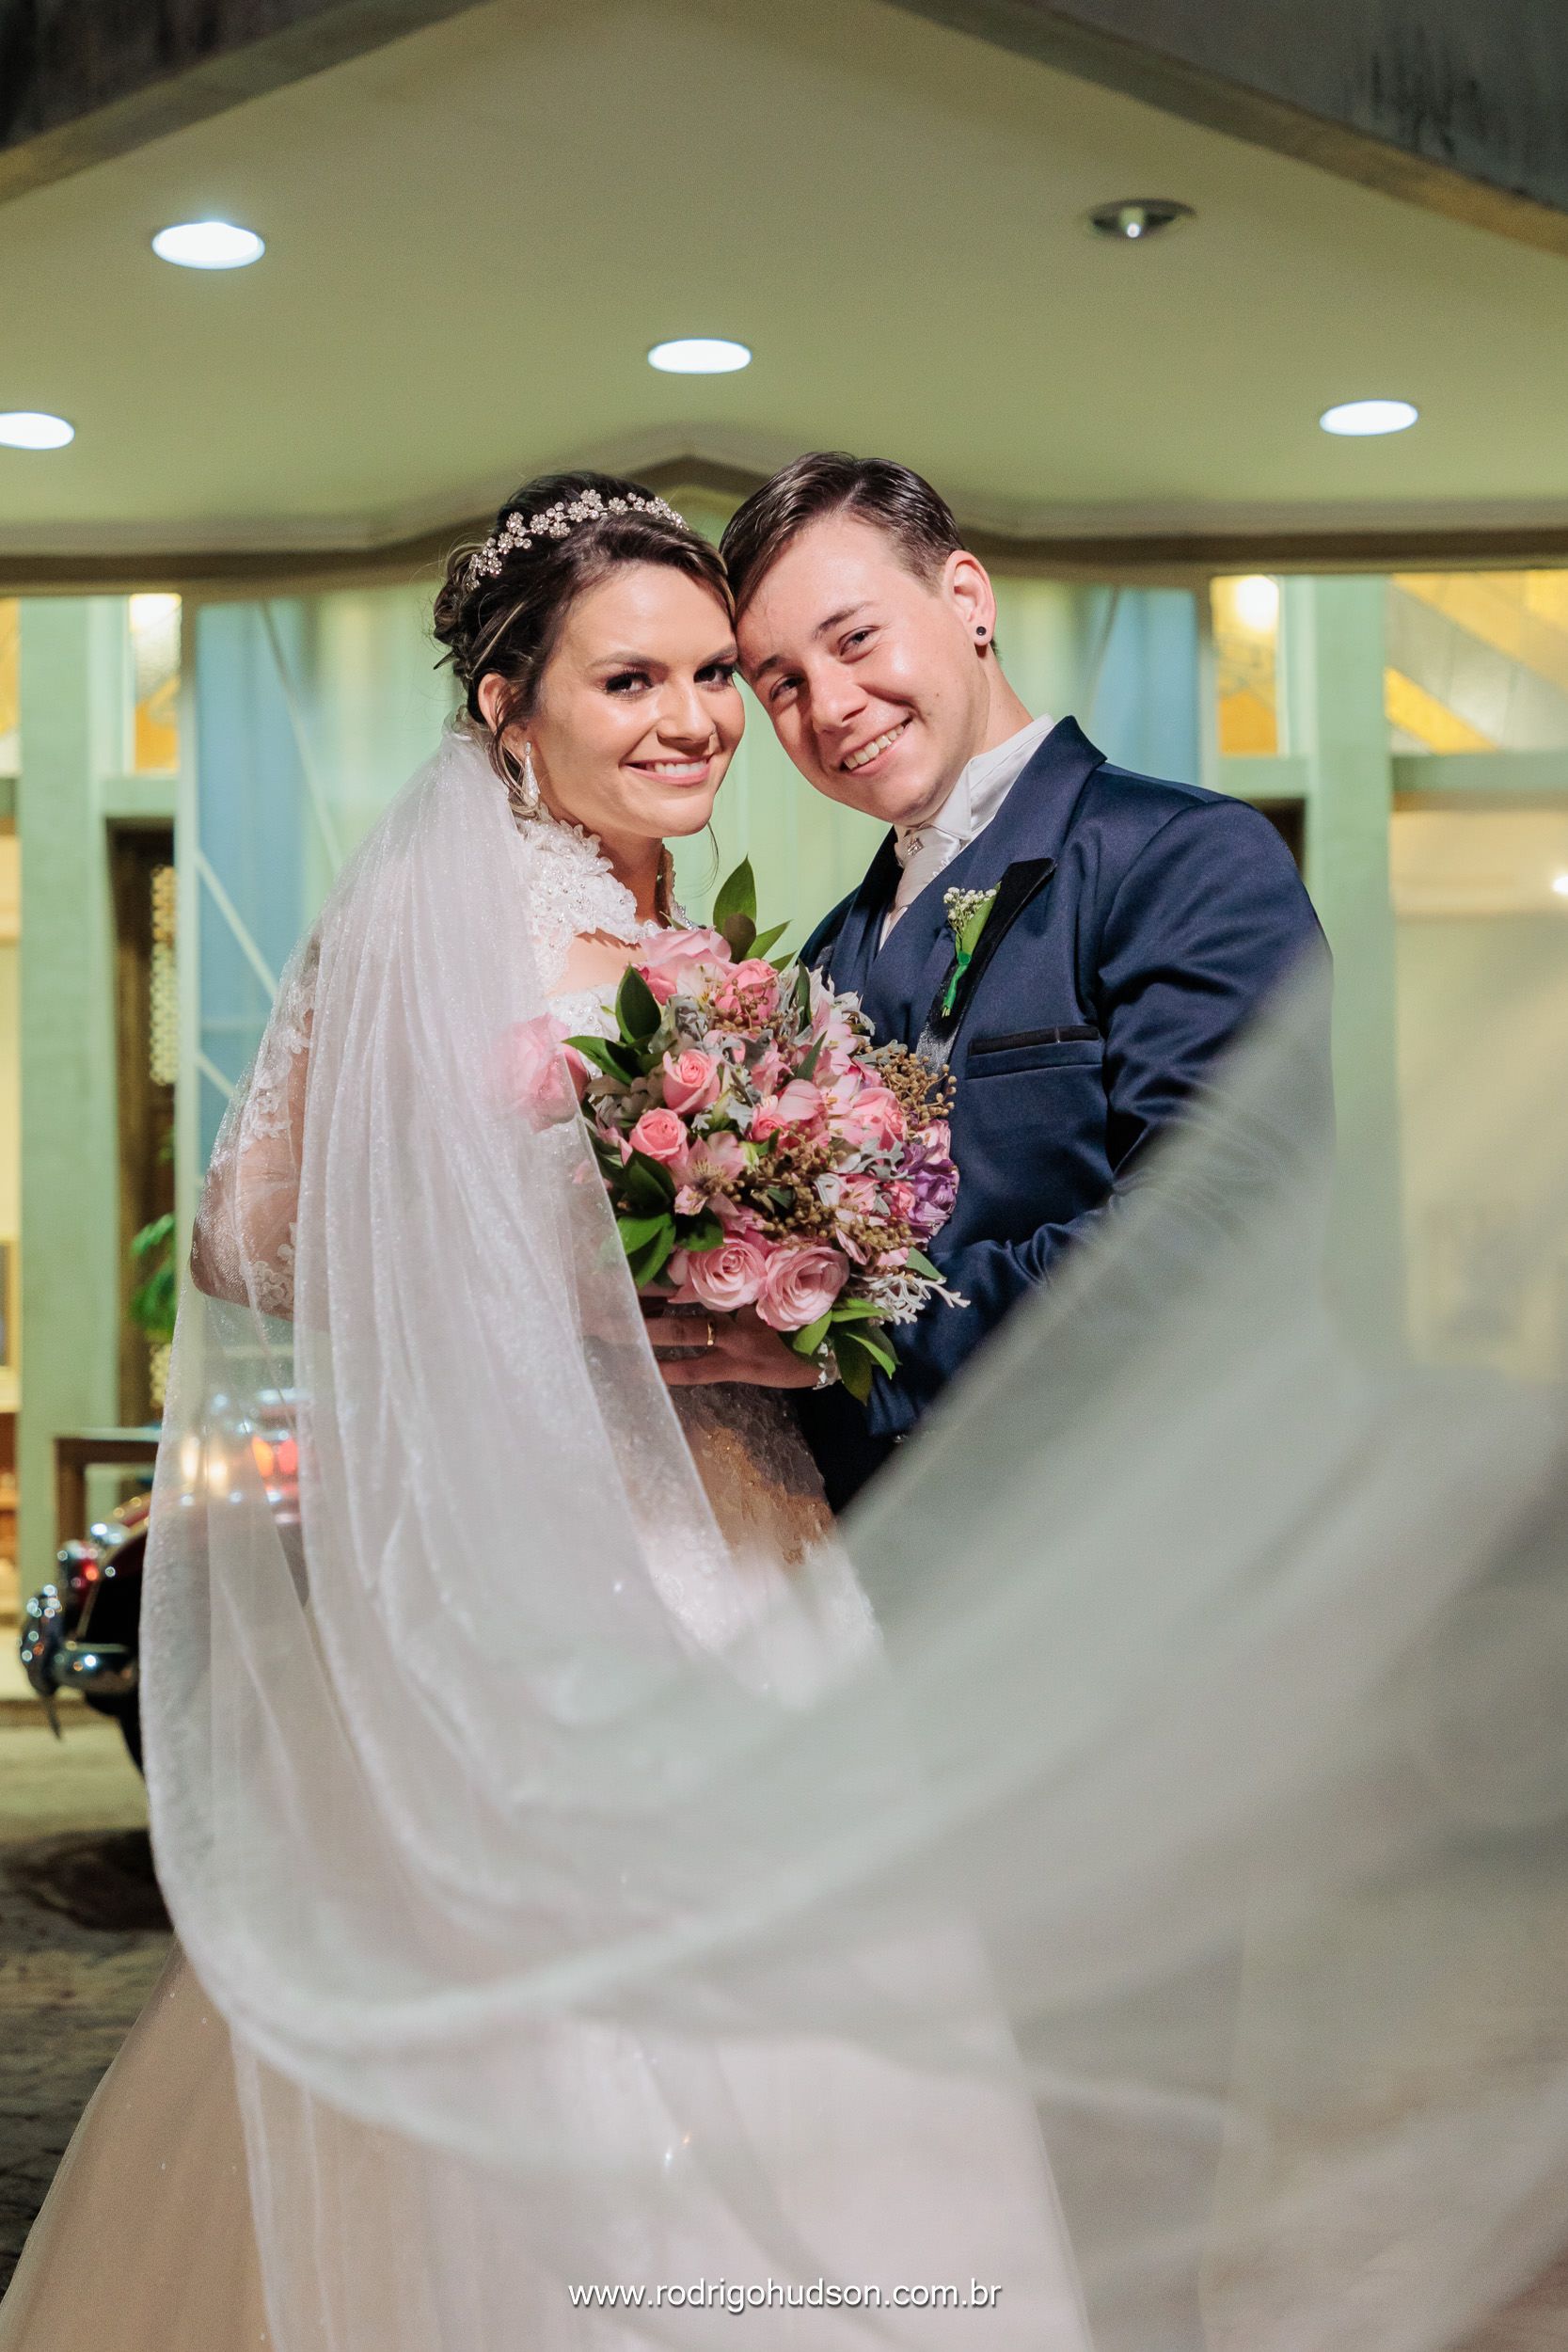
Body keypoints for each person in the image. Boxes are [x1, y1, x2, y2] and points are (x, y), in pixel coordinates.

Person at [0, 474, 1088, 2352]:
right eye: (628, 680)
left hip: (749, 1530)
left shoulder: (686, 923)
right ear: (511, 707)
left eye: (710, 677)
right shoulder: (452, 914)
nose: (690, 719)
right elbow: (260, 1224)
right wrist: (557, 1270)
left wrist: (749, 1252)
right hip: (557, 1560)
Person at [652, 453, 1326, 1510]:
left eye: (854, 637)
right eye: (779, 682)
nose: (828, 705)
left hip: (1132, 1536)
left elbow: (1219, 1222)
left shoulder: (1180, 856)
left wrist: (863, 1341)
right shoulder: (828, 954)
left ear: (965, 597)